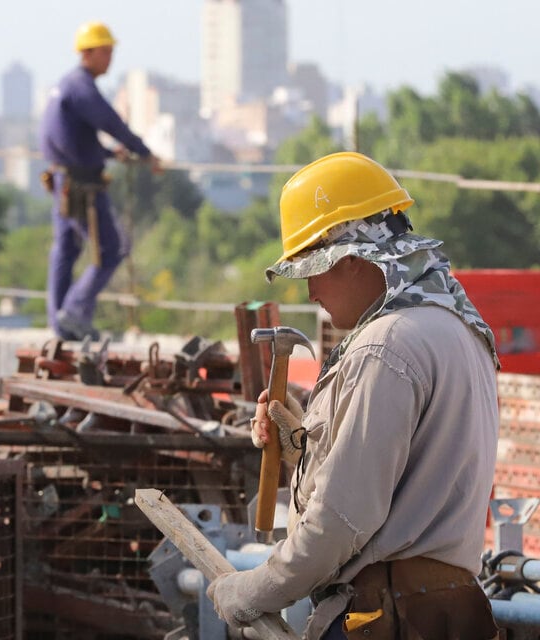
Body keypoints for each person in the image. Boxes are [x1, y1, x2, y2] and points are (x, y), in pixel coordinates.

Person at [209, 152, 501, 639]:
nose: (311, 293)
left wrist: (251, 591)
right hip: (445, 616)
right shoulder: (459, 330)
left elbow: (340, 522)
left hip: (387, 618)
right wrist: (304, 445)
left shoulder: (384, 346)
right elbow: (409, 480)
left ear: (350, 259)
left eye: (313, 270)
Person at [39, 21, 161, 341]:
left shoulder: (67, 85)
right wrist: (145, 153)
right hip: (81, 184)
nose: (110, 58)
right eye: (105, 52)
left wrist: (106, 153)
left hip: (64, 178)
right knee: (112, 248)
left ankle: (60, 323)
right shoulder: (81, 87)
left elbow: (72, 137)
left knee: (66, 249)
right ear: (87, 53)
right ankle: (74, 312)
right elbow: (111, 123)